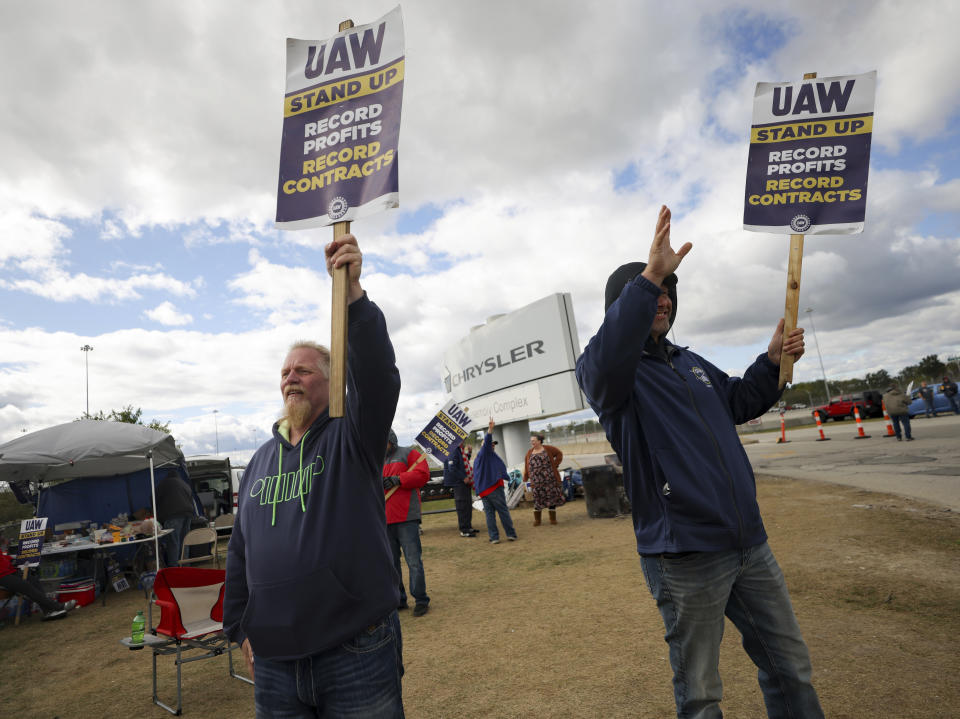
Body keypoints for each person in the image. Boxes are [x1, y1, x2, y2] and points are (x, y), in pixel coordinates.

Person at [575, 205, 823, 718]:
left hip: (748, 543)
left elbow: (737, 401)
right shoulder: (609, 376)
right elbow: (607, 357)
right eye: (650, 292)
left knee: (790, 668)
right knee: (702, 693)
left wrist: (772, 361)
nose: (662, 299)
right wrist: (649, 276)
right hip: (685, 554)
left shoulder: (690, 363)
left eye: (668, 292)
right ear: (622, 305)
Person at [223, 234, 405, 718]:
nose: (290, 378)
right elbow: (240, 550)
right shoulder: (260, 461)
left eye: (303, 370)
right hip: (275, 662)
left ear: (332, 380)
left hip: (355, 649)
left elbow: (379, 377)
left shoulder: (353, 437)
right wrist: (239, 626)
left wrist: (353, 298)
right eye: (285, 372)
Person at [383, 429, 431, 617]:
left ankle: (421, 599)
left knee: (413, 562)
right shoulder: (376, 459)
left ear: (391, 440)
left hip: (407, 518)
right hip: (385, 519)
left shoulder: (410, 453)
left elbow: (422, 474)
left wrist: (398, 479)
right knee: (391, 564)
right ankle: (398, 599)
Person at [473, 418, 518, 544]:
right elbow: (487, 442)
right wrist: (490, 429)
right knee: (503, 511)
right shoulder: (484, 453)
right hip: (493, 488)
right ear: (485, 446)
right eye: (491, 444)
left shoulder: (481, 458)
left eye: (494, 444)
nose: (492, 446)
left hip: (484, 490)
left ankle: (494, 537)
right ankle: (511, 534)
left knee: (490, 514)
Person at [0, 549, 77, 621]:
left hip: (9, 571)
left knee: (33, 580)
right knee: (25, 585)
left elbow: (2, 557)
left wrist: (11, 560)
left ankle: (48, 611)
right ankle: (58, 606)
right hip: (2, 575)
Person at [155, 470, 198, 568]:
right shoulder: (184, 484)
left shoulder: (164, 483)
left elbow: (153, 498)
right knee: (185, 542)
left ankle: (174, 570)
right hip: (188, 514)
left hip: (173, 515)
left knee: (173, 543)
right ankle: (185, 566)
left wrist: (158, 514)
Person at [523, 434, 564, 525]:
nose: (532, 442)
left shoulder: (548, 449)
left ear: (539, 441)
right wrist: (525, 477)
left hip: (549, 479)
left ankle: (552, 519)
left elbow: (559, 454)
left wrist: (555, 464)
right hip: (536, 481)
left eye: (533, 440)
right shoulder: (529, 452)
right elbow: (527, 466)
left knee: (551, 498)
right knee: (538, 499)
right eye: (531, 441)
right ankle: (537, 520)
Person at [443, 444, 477, 537]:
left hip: (463, 481)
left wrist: (469, 453)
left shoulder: (459, 449)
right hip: (458, 482)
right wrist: (463, 477)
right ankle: (464, 530)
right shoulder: (453, 449)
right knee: (462, 506)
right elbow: (452, 467)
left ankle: (468, 526)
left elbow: (464, 463)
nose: (464, 440)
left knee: (467, 505)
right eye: (463, 438)